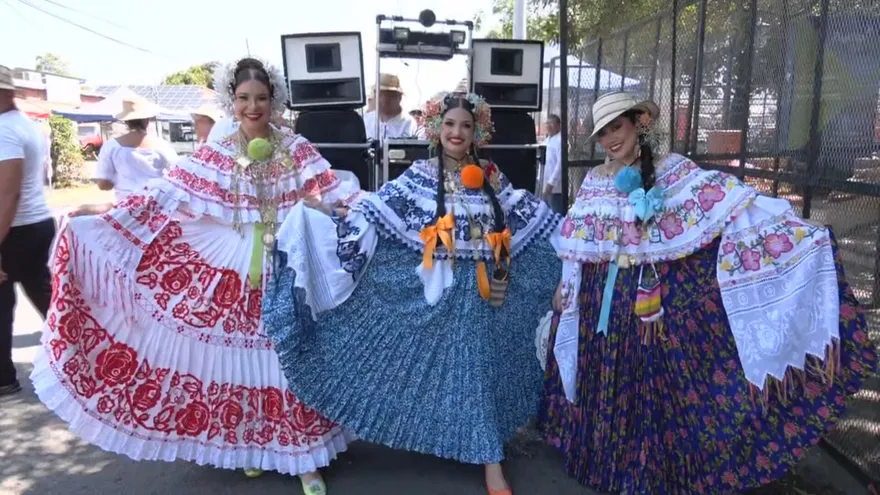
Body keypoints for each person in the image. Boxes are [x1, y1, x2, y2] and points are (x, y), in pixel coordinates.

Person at [30, 57, 359, 495]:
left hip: (287, 261)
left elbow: (328, 193)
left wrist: (338, 210)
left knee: (285, 360)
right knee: (243, 366)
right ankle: (251, 449)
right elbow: (166, 195)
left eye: (261, 98)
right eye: (244, 98)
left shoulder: (295, 146)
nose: (253, 107)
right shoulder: (219, 150)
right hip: (231, 264)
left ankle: (303, 461)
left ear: (274, 99)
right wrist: (100, 212)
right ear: (231, 101)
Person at [537, 91, 877, 494]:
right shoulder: (595, 181)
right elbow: (576, 244)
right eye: (603, 133)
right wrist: (565, 287)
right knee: (607, 381)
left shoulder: (676, 170)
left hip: (651, 303)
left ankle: (652, 474)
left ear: (638, 125)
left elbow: (733, 205)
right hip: (599, 302)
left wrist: (801, 237)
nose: (611, 139)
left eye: (618, 127)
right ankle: (610, 468)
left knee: (654, 389)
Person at [262, 92, 562, 495]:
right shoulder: (420, 173)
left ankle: (491, 462)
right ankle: (475, 453)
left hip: (485, 292)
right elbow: (376, 211)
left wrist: (569, 240)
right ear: (437, 128)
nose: (457, 132)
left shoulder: (491, 174)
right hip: (438, 293)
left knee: (479, 373)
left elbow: (520, 218)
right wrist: (326, 212)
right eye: (450, 124)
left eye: (466, 126)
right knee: (450, 372)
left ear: (478, 132)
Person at [0, 64, 55, 397]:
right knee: (45, 296)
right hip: (33, 225)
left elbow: (9, 192)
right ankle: (87, 356)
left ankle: (4, 377)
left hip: (15, 228)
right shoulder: (22, 124)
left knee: (4, 303)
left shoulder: (4, 129)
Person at [94, 98, 179, 202]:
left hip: (125, 208)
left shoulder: (111, 146)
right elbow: (177, 177)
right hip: (156, 206)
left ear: (126, 121)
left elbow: (104, 185)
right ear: (147, 119)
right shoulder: (163, 146)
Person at [363, 73, 422, 142]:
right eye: (380, 95)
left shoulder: (410, 124)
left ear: (399, 97)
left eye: (390, 95)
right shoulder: (365, 120)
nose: (385, 99)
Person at [541, 114, 564, 214]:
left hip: (555, 187)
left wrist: (551, 183)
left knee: (556, 213)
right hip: (544, 184)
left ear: (558, 125)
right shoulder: (547, 140)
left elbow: (560, 164)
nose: (548, 126)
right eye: (547, 123)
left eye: (551, 123)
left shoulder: (560, 140)